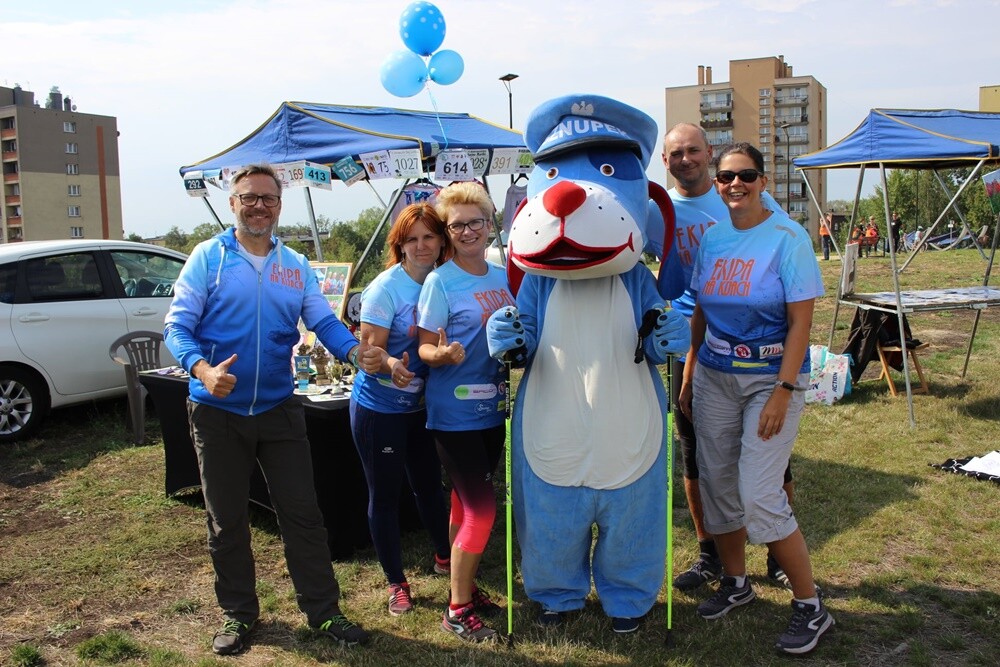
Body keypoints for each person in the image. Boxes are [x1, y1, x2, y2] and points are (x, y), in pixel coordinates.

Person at [163, 163, 371, 655]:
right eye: (249, 197)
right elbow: (176, 327)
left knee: (303, 515)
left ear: (279, 205)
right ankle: (239, 614)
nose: (259, 206)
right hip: (217, 412)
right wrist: (202, 370)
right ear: (232, 203)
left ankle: (323, 611)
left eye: (268, 198)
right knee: (227, 520)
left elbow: (322, 321)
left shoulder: (294, 264)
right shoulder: (208, 258)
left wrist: (354, 352)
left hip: (279, 409)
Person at [679, 143, 833, 655]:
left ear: (763, 181)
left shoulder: (789, 238)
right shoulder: (713, 238)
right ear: (717, 183)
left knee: (759, 493)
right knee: (718, 484)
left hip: (771, 379)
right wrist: (690, 373)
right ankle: (736, 583)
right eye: (726, 177)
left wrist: (784, 392)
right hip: (715, 377)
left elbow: (801, 324)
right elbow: (701, 311)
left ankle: (811, 606)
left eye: (746, 175)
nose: (735, 184)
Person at [661, 123, 796, 593]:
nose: (686, 159)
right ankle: (710, 555)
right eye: (676, 153)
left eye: (693, 150)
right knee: (697, 458)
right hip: (693, 343)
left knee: (770, 459)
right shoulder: (659, 211)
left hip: (756, 347)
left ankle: (778, 554)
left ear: (709, 153)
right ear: (665, 162)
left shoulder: (748, 196)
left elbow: (784, 258)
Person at [417, 182, 515, 643]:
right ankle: (456, 610)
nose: (468, 231)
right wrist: (441, 354)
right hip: (454, 413)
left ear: (489, 225)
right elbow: (423, 347)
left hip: (493, 409)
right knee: (481, 509)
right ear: (448, 232)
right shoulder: (440, 281)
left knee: (462, 501)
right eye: (457, 226)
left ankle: (467, 588)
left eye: (475, 222)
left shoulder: (502, 277)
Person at [349, 204, 453, 617]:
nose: (421, 246)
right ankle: (397, 582)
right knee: (386, 496)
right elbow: (369, 354)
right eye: (412, 239)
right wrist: (392, 365)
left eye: (429, 237)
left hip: (425, 409)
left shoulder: (445, 279)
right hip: (381, 409)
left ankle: (445, 557)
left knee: (429, 486)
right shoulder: (385, 289)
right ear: (400, 245)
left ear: (441, 240)